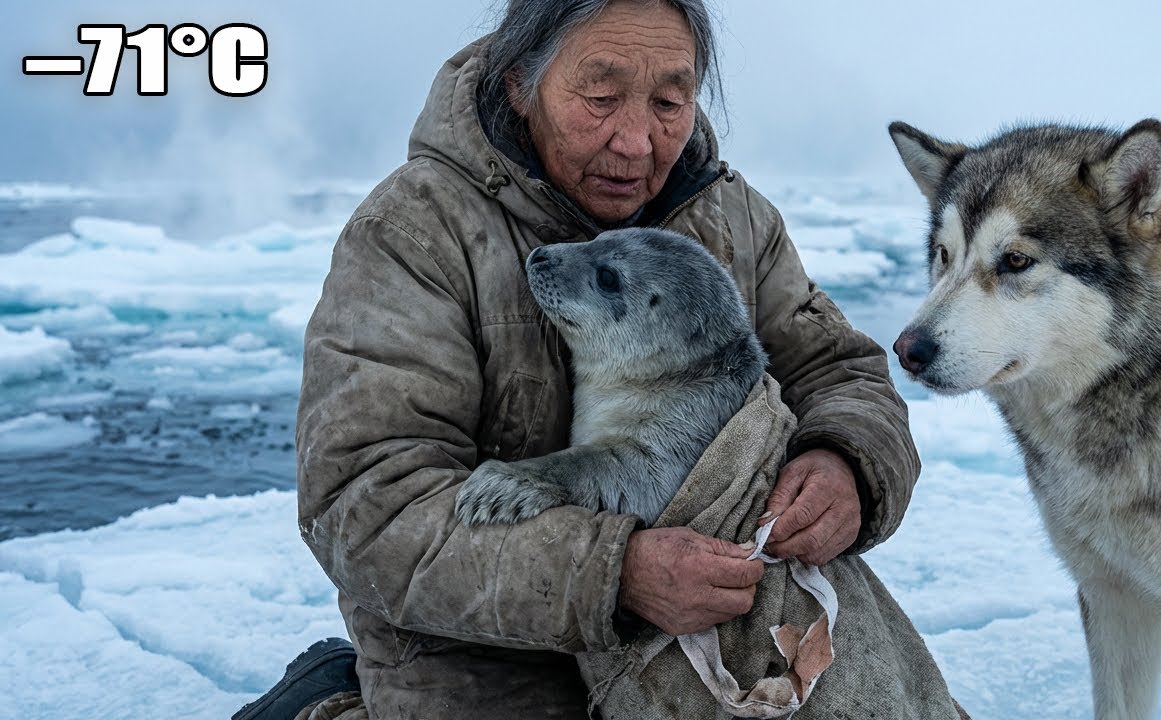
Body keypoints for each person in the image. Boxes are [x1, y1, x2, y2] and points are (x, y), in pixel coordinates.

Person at [235, 1, 939, 718]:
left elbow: (839, 373)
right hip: (486, 654)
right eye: (600, 98)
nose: (636, 142)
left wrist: (846, 463)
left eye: (670, 100)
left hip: (715, 637)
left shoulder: (732, 219)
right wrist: (611, 572)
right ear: (520, 84)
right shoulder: (414, 235)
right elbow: (365, 504)